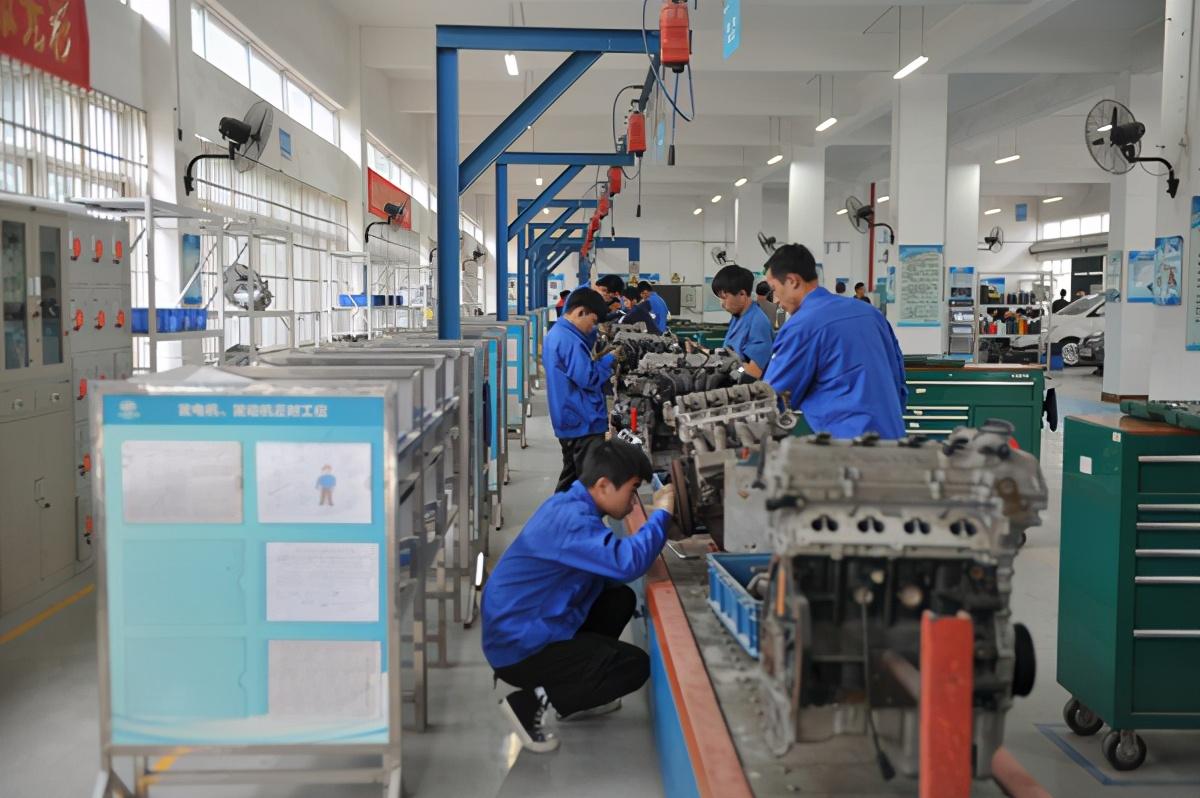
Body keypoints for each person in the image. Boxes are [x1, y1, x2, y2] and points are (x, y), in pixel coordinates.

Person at [482, 439, 675, 752]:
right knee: (634, 665)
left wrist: (650, 529)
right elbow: (627, 563)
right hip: (518, 646)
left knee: (619, 600)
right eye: (632, 489)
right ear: (603, 486)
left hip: (525, 625)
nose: (634, 501)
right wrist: (662, 515)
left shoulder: (571, 505)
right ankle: (529, 703)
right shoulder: (572, 522)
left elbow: (609, 565)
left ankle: (580, 694)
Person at [763, 244, 906, 439]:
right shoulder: (871, 313)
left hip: (847, 446)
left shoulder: (801, 326)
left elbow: (773, 397)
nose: (775, 300)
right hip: (894, 439)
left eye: (774, 290)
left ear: (792, 281)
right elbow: (898, 379)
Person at [543, 288, 620, 492]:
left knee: (575, 476)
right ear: (580, 312)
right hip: (582, 422)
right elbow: (589, 378)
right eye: (593, 322)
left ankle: (565, 509)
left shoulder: (561, 333)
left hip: (572, 418)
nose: (593, 328)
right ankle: (564, 511)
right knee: (581, 481)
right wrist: (611, 359)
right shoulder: (568, 341)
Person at [711, 264, 774, 378]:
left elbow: (754, 373)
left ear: (742, 294)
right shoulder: (738, 317)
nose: (722, 304)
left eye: (724, 297)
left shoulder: (758, 323)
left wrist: (735, 366)